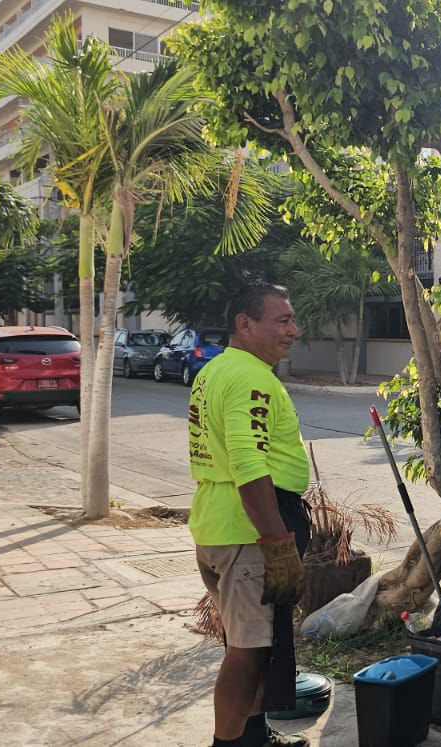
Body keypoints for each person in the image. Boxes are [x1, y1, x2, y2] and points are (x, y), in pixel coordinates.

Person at [188, 284, 310, 747]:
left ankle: (254, 737)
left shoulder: (217, 369)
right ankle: (227, 744)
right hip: (249, 533)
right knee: (247, 653)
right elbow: (248, 464)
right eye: (282, 320)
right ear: (245, 323)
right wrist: (278, 543)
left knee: (259, 650)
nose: (293, 331)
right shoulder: (249, 378)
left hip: (221, 523)